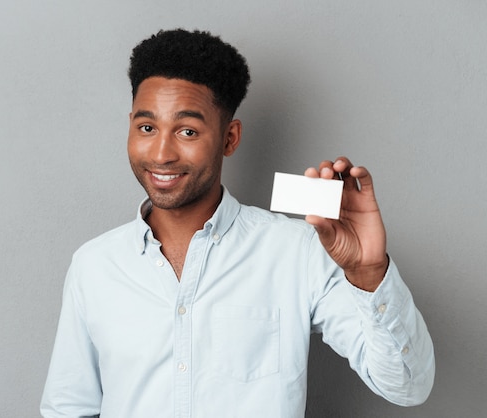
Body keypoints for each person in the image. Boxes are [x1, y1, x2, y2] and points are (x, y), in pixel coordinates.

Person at [40, 28, 434, 417]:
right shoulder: (94, 265)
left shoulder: (297, 253)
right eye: (146, 128)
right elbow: (68, 409)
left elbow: (407, 386)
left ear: (230, 138)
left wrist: (369, 274)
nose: (161, 153)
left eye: (187, 131)